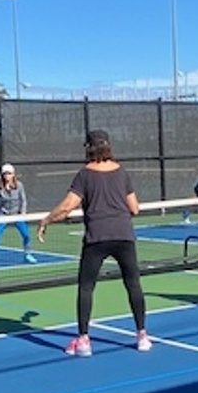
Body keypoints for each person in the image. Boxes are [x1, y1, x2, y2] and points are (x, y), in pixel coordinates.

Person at [38, 129, 150, 356]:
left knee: (86, 287)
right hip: (123, 235)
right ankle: (142, 336)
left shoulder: (84, 175)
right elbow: (135, 208)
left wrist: (47, 220)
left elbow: (68, 206)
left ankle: (84, 341)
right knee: (134, 285)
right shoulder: (122, 173)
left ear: (89, 148)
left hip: (97, 238)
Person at [0, 163, 37, 267]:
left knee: (26, 235)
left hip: (17, 215)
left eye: (9, 174)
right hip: (3, 215)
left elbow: (23, 200)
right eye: (5, 174)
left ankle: (27, 254)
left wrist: (22, 213)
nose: (7, 176)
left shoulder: (19, 185)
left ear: (13, 174)